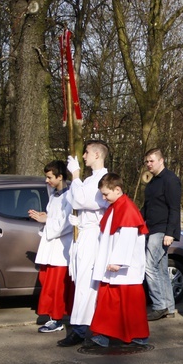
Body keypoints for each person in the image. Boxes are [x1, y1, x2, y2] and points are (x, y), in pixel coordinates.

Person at [87, 173, 150, 347]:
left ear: (117, 189)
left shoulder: (127, 208)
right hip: (113, 264)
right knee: (111, 300)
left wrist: (118, 261)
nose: (104, 198)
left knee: (129, 303)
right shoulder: (115, 206)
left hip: (124, 267)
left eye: (106, 194)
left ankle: (137, 334)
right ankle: (104, 334)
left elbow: (128, 238)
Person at [57, 140, 110, 347]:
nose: (84, 156)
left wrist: (75, 175)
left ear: (97, 155)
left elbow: (80, 200)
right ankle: (81, 326)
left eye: (87, 152)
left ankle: (83, 328)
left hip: (94, 236)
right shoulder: (89, 180)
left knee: (88, 285)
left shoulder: (103, 179)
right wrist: (78, 221)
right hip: (84, 234)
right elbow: (74, 200)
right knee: (80, 281)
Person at [28, 160, 74, 333]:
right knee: (46, 281)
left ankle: (57, 319)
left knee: (57, 285)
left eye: (49, 177)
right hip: (50, 247)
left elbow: (67, 223)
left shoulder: (69, 196)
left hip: (61, 250)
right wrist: (44, 216)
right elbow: (55, 217)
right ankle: (51, 316)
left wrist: (47, 220)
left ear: (60, 176)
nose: (46, 181)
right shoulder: (55, 195)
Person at [141, 148, 182, 322]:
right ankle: (169, 307)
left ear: (161, 160)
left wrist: (170, 233)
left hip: (162, 230)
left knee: (149, 266)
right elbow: (148, 206)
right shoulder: (153, 182)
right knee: (160, 269)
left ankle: (159, 306)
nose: (149, 164)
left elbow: (174, 208)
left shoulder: (170, 180)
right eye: (147, 161)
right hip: (151, 229)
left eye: (152, 161)